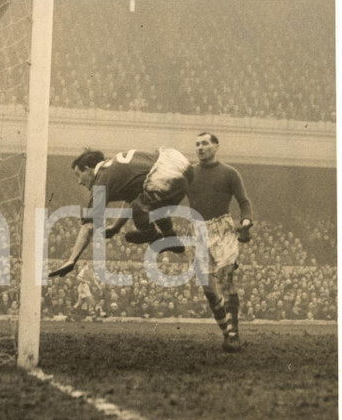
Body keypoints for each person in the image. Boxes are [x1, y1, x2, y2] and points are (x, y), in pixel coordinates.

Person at [50, 146, 193, 278]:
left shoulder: (101, 180)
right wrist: (116, 227)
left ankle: (154, 237)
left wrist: (72, 260)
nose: (79, 182)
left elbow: (88, 226)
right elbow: (131, 199)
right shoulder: (116, 169)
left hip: (165, 174)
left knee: (140, 207)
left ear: (87, 169)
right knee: (150, 203)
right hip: (176, 163)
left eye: (78, 175)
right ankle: (171, 239)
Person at [188, 132, 253, 352]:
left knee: (225, 278)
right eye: (197, 144)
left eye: (205, 143)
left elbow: (244, 202)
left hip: (222, 228)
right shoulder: (188, 173)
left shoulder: (229, 173)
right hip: (198, 229)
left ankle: (233, 335)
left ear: (216, 146)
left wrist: (245, 221)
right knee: (208, 287)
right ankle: (226, 332)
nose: (200, 147)